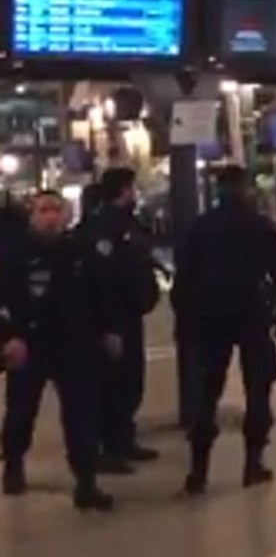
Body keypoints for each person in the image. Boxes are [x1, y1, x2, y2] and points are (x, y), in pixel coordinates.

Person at [172, 166, 276, 496]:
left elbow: (184, 276)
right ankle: (252, 464)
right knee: (258, 388)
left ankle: (198, 472)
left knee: (207, 392)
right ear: (246, 188)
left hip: (210, 315)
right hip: (252, 312)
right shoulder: (260, 226)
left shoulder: (201, 226)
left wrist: (184, 320)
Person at [0, 191, 115, 510]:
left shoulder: (78, 251)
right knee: (21, 410)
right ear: (32, 215)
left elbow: (98, 294)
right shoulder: (13, 254)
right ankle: (13, 464)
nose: (50, 217)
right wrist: (8, 338)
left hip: (73, 344)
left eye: (55, 210)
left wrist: (107, 331)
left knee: (81, 414)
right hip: (29, 344)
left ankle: (86, 480)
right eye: (43, 210)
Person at [82, 168, 161, 472]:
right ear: (125, 190)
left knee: (130, 380)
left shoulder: (127, 223)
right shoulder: (103, 226)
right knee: (114, 383)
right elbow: (103, 277)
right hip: (114, 317)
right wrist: (109, 326)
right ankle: (110, 446)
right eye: (133, 188)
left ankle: (124, 440)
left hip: (130, 314)